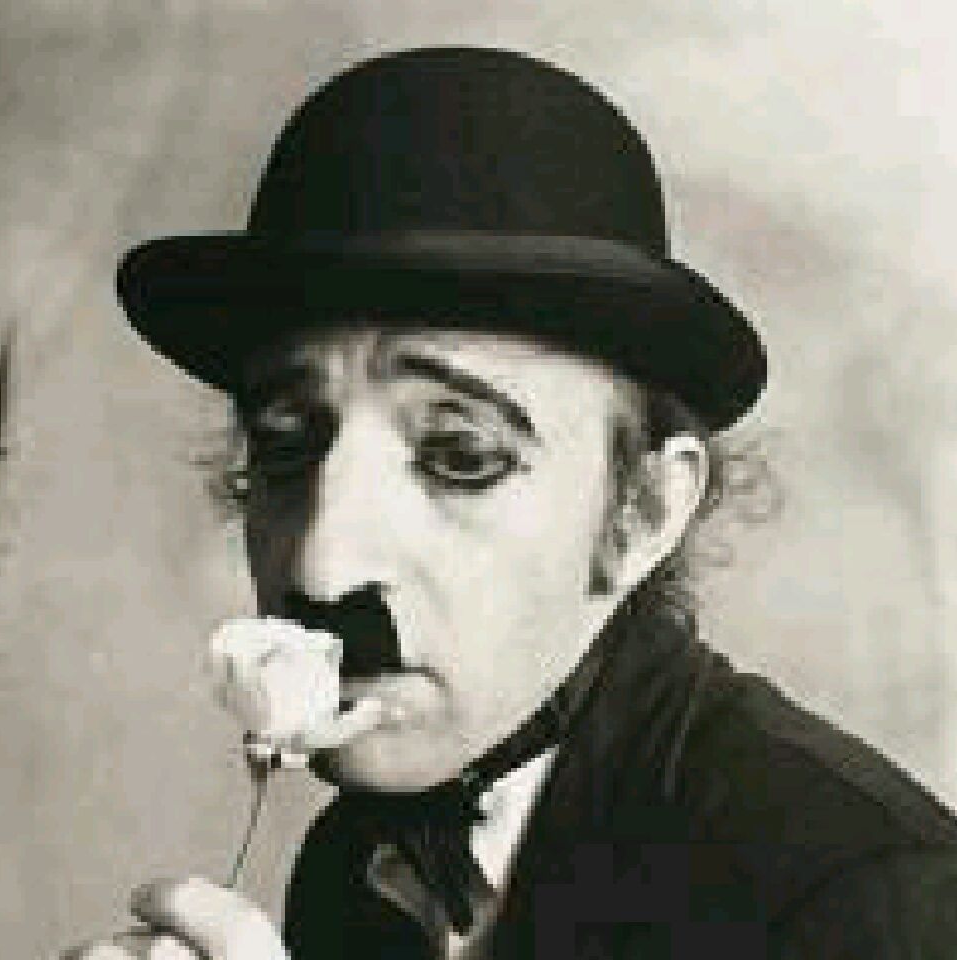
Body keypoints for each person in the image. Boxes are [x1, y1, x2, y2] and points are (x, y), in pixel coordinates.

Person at [69, 47, 957, 959]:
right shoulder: (354, 865)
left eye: (460, 457)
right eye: (286, 443)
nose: (322, 568)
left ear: (642, 512)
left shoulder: (871, 903)